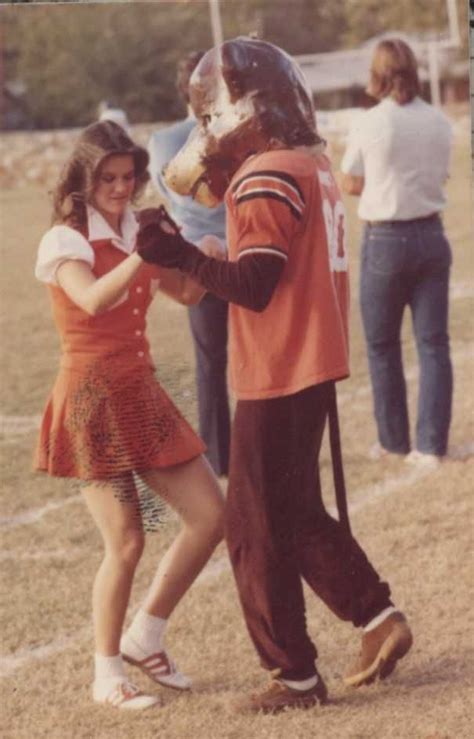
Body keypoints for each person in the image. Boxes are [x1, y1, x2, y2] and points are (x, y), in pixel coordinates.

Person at [133, 37, 413, 714]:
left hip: (281, 363)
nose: (207, 134)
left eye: (211, 117)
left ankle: (292, 674)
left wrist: (181, 254)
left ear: (243, 111)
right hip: (307, 356)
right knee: (292, 511)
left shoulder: (264, 172)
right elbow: (268, 265)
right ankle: (378, 618)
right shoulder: (306, 163)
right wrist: (201, 255)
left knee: (254, 525)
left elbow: (255, 283)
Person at [33, 120, 224, 710]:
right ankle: (106, 673)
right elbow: (92, 298)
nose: (121, 188)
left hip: (140, 392)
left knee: (211, 515)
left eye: (128, 177)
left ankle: (148, 635)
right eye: (108, 178)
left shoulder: (137, 227)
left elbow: (187, 294)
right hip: (90, 398)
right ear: (84, 179)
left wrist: (211, 256)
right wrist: (148, 250)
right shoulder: (64, 240)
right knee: (126, 542)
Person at [340, 38, 453, 467]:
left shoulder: (371, 122)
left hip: (386, 239)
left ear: (379, 74)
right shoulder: (440, 121)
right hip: (431, 235)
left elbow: (350, 180)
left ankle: (393, 441)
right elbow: (439, 178)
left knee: (383, 345)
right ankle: (430, 445)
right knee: (433, 344)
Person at [147, 51, 231, 477]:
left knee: (210, 362)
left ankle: (219, 455)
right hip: (245, 252)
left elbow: (166, 193)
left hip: (197, 260)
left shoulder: (162, 141)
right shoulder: (233, 132)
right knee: (257, 357)